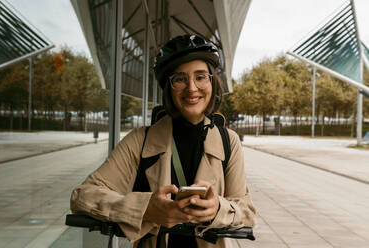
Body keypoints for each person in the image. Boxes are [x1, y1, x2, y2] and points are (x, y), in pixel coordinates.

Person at [70, 34, 256, 248]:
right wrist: (146, 208)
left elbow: (246, 211)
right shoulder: (140, 139)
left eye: (201, 76)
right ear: (169, 87)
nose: (192, 88)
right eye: (179, 78)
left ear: (213, 82)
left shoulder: (228, 141)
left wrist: (218, 209)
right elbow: (82, 196)